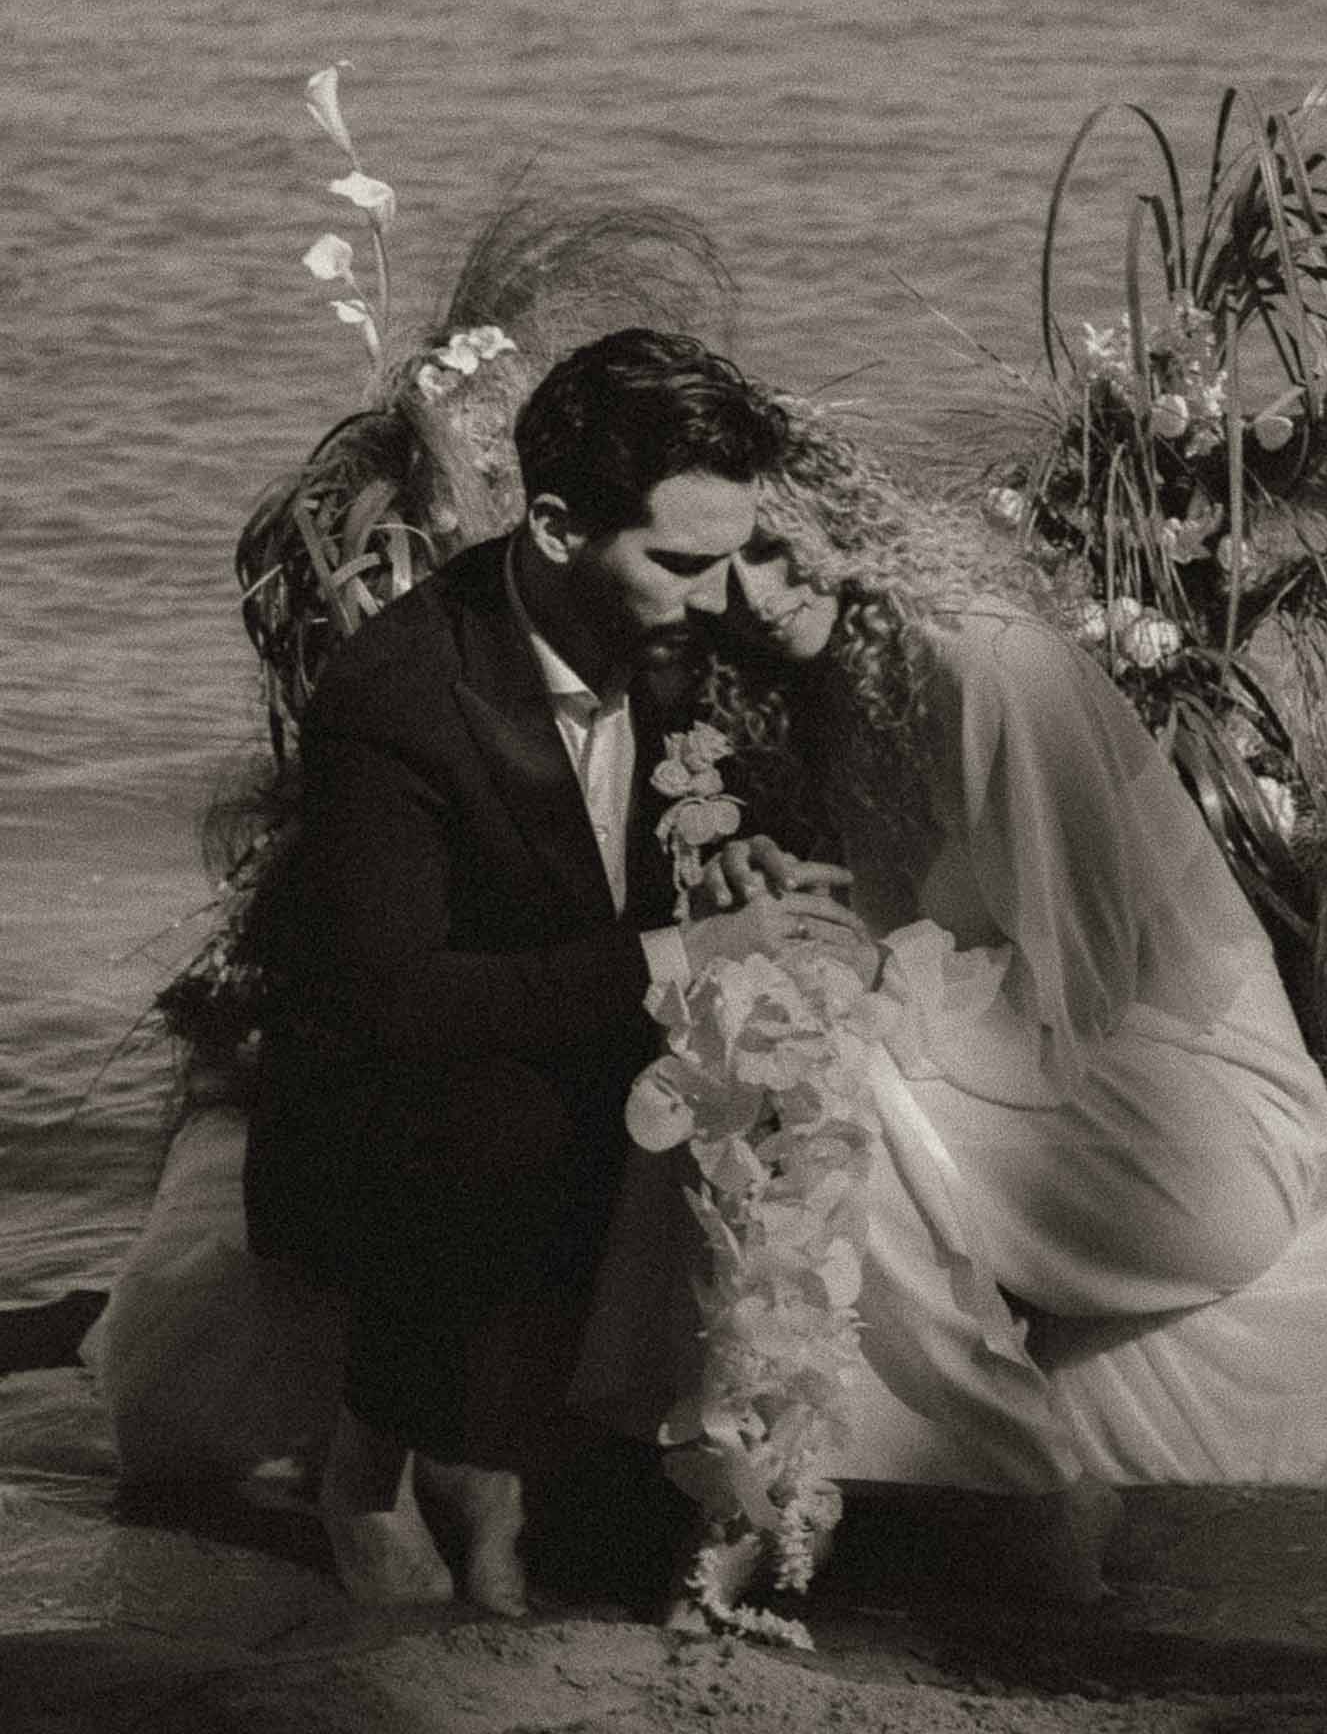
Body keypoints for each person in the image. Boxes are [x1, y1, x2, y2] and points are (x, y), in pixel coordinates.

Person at [571, 402, 1327, 1608]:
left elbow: (1073, 994)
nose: (755, 595)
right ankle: (756, 1468)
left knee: (822, 1075)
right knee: (764, 1038)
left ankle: (1013, 1489)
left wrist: (863, 978)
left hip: (1183, 1115)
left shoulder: (992, 666)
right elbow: (923, 930)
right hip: (1032, 1090)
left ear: (855, 526)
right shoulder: (831, 688)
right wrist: (792, 901)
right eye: (727, 564)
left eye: (783, 549)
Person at [241, 332, 870, 1610]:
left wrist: (729, 853)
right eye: (682, 561)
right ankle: (379, 1477)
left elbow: (659, 806)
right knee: (509, 1119)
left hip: (556, 1018)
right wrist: (684, 952)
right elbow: (396, 1002)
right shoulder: (397, 695)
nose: (719, 596)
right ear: (555, 524)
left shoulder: (661, 625)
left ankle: (594, 1460)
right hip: (389, 1090)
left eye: (728, 553)